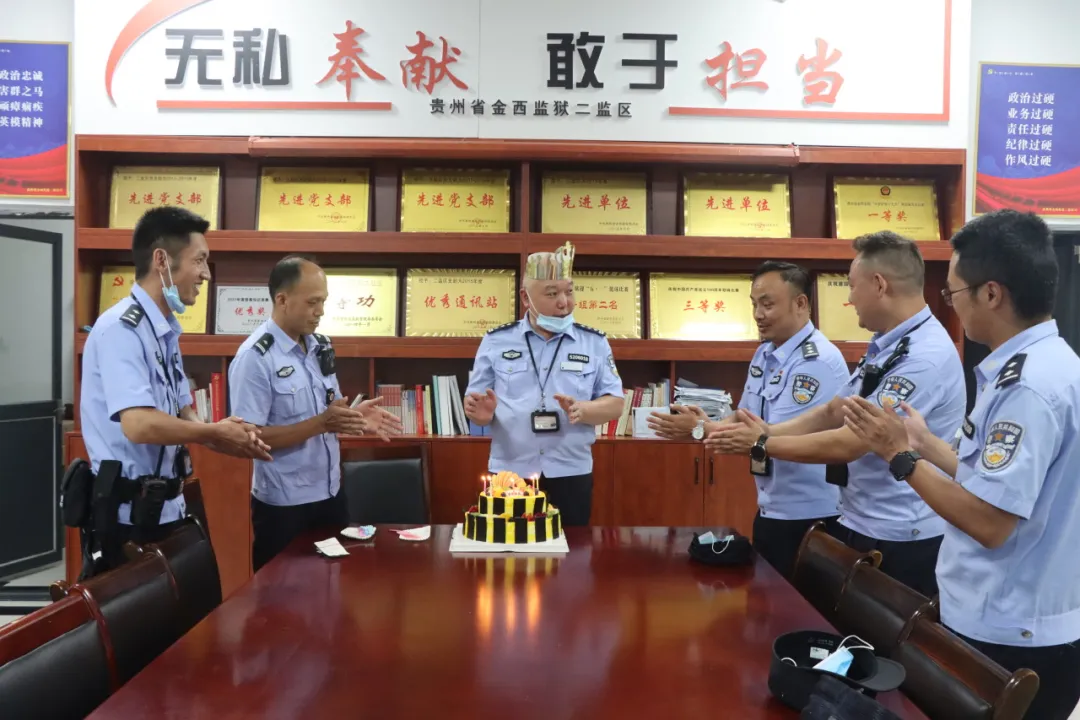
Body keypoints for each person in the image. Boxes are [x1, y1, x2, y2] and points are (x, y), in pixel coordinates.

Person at [842, 210, 1080, 720]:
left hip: (1010, 629)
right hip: (1014, 616)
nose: (950, 305)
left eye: (953, 293)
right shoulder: (1046, 365)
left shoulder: (1027, 388)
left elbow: (990, 523)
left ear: (991, 294)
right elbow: (994, 485)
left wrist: (899, 456)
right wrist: (928, 446)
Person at [706, 231, 965, 597]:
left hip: (901, 535)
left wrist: (763, 443)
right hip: (860, 521)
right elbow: (835, 409)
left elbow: (851, 443)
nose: (849, 298)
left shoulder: (924, 356)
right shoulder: (888, 343)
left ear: (879, 285)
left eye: (852, 286)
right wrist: (769, 434)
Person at [80, 207, 271, 573]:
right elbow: (139, 424)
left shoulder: (163, 331)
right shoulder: (121, 329)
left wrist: (230, 437)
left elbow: (184, 415)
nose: (206, 274)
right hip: (126, 521)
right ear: (162, 261)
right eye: (199, 260)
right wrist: (214, 432)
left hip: (168, 510)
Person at [648, 261, 848, 578]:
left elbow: (774, 438)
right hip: (772, 507)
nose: (758, 314)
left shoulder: (816, 361)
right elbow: (745, 418)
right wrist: (702, 425)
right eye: (754, 304)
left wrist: (700, 429)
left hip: (810, 516)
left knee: (795, 605)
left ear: (800, 303)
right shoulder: (765, 354)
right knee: (764, 600)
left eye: (767, 304)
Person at [229, 256, 402, 572]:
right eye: (312, 302)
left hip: (331, 494)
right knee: (282, 596)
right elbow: (247, 438)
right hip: (284, 505)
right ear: (282, 300)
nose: (320, 311)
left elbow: (327, 413)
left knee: (332, 586)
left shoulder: (320, 345)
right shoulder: (255, 357)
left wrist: (352, 418)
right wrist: (321, 423)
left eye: (323, 301)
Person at [463, 241, 624, 526]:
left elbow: (615, 403)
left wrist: (584, 409)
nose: (564, 302)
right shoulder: (496, 340)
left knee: (572, 549)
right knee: (511, 546)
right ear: (526, 298)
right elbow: (475, 404)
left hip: (570, 470)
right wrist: (482, 415)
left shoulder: (594, 342)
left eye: (569, 291)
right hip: (510, 471)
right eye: (552, 293)